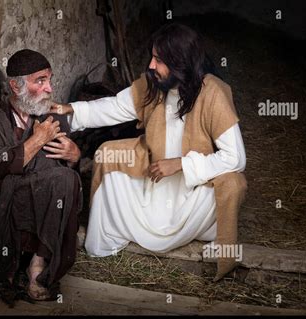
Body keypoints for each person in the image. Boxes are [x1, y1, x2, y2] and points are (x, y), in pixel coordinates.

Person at [53, 23, 247, 281]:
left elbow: (236, 158)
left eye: (159, 59)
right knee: (108, 154)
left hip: (193, 196)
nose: (151, 66)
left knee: (232, 183)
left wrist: (180, 164)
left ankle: (201, 230)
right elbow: (112, 107)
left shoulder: (213, 93)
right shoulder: (153, 84)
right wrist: (70, 110)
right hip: (153, 188)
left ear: (180, 62)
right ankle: (112, 237)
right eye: (152, 57)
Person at [0, 49, 82, 303]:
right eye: (40, 81)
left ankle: (38, 265)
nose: (49, 88)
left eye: (49, 80)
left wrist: (75, 155)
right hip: (6, 188)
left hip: (46, 190)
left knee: (66, 179)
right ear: (15, 85)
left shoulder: (53, 115)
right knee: (60, 179)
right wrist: (38, 139)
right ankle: (11, 270)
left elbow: (67, 172)